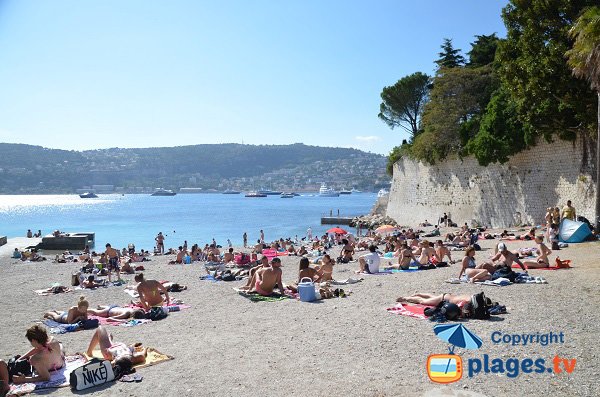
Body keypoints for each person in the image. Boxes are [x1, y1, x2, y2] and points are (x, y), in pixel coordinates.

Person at [0, 325, 64, 390]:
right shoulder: (53, 340)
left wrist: (24, 379)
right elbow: (40, 348)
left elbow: (46, 377)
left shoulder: (35, 359)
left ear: (33, 340)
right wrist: (22, 357)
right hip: (60, 363)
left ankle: (5, 385)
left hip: (50, 367)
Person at [396, 292, 471, 306]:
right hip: (444, 299)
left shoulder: (470, 297)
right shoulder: (468, 301)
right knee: (422, 301)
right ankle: (405, 298)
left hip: (447, 296)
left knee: (433, 297)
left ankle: (419, 294)